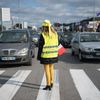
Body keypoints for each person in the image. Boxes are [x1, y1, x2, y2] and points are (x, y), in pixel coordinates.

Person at [37, 20, 59, 91]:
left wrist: (39, 57)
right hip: (54, 55)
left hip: (46, 56)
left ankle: (48, 85)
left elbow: (40, 47)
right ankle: (51, 82)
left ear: (44, 27)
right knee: (51, 68)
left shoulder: (43, 35)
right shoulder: (55, 33)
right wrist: (58, 54)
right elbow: (58, 44)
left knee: (47, 70)